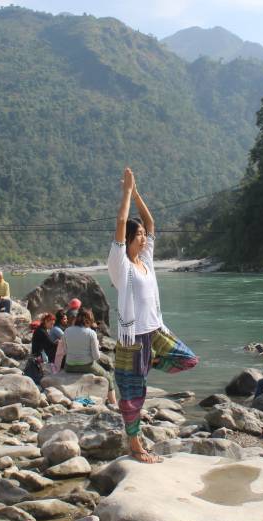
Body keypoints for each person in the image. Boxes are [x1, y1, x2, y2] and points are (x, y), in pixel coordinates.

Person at [108, 166, 199, 463]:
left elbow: (150, 220)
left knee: (187, 359)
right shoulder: (120, 265)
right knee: (134, 396)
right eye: (141, 236)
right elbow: (122, 221)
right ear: (130, 239)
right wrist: (124, 195)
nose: (145, 238)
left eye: (146, 236)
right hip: (132, 337)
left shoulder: (145, 259)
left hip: (156, 330)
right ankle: (135, 446)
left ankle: (148, 365)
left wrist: (136, 193)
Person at [54, 308, 117, 407]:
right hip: (86, 365)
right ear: (88, 320)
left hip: (69, 366)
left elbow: (65, 351)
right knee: (108, 377)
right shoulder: (91, 333)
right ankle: (114, 403)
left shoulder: (67, 331)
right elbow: (96, 356)